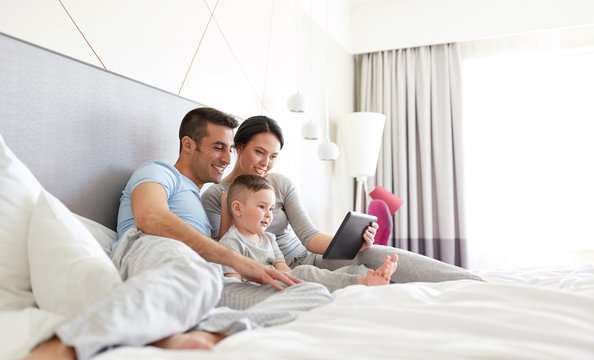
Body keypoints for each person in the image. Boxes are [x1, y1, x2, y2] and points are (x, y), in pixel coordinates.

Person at [26, 108, 332, 360]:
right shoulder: (158, 172)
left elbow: (225, 243)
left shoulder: (205, 199)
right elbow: (149, 216)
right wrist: (236, 260)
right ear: (188, 145)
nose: (227, 158)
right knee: (192, 272)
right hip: (153, 246)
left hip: (207, 275)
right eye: (218, 147)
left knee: (312, 292)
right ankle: (59, 349)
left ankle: (201, 332)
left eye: (229, 148)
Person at [202, 115, 483, 284]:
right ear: (239, 147)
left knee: (371, 253)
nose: (266, 163)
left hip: (311, 256)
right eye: (259, 152)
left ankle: (468, 280)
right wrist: (229, 201)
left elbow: (309, 235)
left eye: (273, 156)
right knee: (354, 273)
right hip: (280, 268)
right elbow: (225, 249)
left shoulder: (280, 184)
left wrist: (350, 244)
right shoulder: (216, 195)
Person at [220, 174, 398, 292]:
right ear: (237, 208)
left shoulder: (269, 238)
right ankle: (363, 283)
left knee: (334, 270)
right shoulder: (231, 243)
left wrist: (297, 281)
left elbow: (284, 270)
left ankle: (366, 276)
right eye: (262, 207)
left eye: (272, 209)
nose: (269, 215)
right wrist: (297, 278)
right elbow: (233, 286)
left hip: (279, 281)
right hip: (260, 288)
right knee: (305, 272)